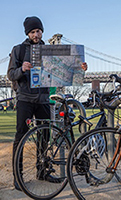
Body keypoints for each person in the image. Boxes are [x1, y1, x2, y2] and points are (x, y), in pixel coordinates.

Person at [7, 16, 87, 191]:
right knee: (20, 137)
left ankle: (42, 171)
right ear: (28, 33)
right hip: (25, 99)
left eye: (39, 31)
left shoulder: (49, 51)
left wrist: (79, 69)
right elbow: (11, 75)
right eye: (33, 31)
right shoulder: (18, 50)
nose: (36, 34)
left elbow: (64, 73)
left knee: (45, 137)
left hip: (44, 100)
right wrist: (22, 69)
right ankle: (17, 176)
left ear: (42, 31)